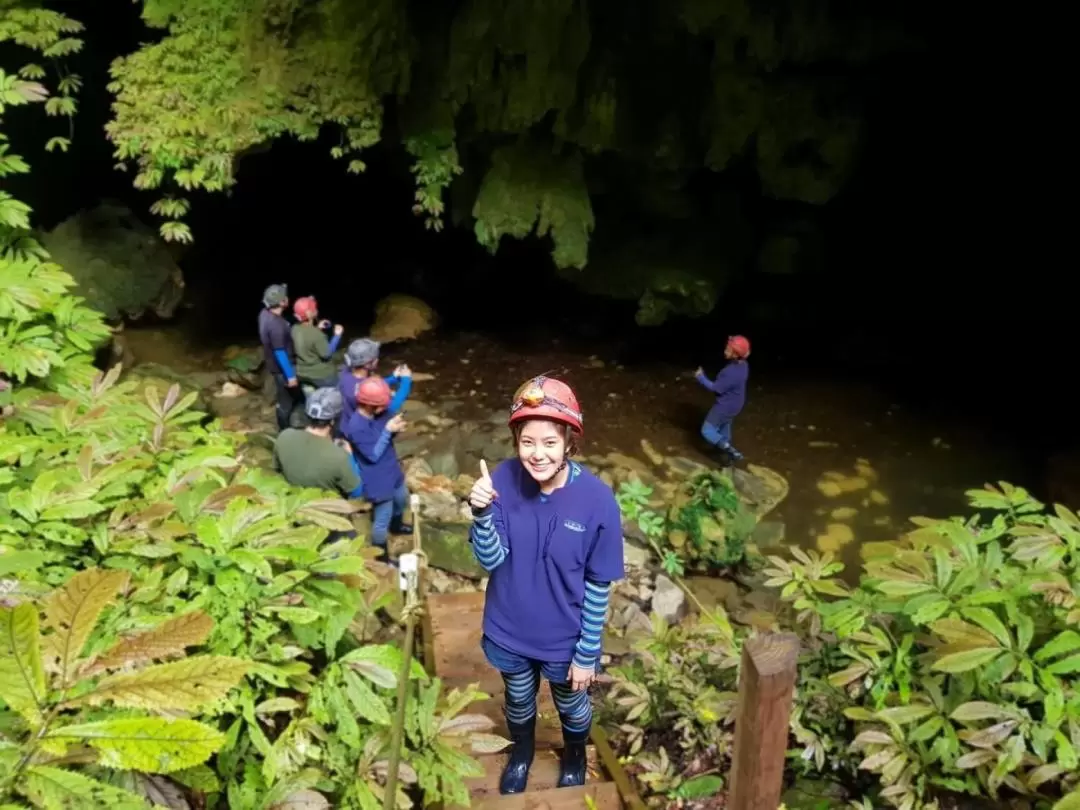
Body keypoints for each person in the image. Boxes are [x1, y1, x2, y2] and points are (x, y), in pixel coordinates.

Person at [467, 376, 624, 795]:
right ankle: (522, 754)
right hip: (509, 629)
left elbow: (597, 584)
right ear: (516, 440)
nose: (537, 454)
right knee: (518, 699)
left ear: (570, 443)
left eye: (550, 443)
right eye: (527, 442)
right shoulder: (501, 478)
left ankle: (574, 754)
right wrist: (482, 513)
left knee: (571, 704)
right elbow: (491, 560)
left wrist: (587, 653)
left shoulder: (597, 500)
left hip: (565, 640)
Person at [341, 376, 413, 563]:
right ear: (368, 405)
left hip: (391, 469)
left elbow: (384, 435)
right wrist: (388, 431)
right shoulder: (356, 427)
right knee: (382, 519)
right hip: (377, 478)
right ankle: (382, 557)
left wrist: (395, 429)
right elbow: (373, 455)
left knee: (401, 499)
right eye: (382, 405)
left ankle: (397, 527)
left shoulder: (376, 415)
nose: (385, 409)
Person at [273, 387, 364, 501]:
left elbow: (277, 470)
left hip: (291, 503)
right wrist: (350, 456)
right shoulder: (340, 457)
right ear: (333, 421)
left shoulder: (284, 436)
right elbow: (357, 491)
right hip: (323, 511)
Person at [694, 334, 751, 464]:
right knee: (724, 426)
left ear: (736, 355)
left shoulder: (731, 372)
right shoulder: (744, 365)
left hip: (724, 406)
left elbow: (716, 388)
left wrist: (700, 377)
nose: (725, 350)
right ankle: (727, 459)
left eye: (729, 349)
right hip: (736, 404)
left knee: (707, 430)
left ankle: (730, 450)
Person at [338, 338, 412, 427]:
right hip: (363, 428)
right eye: (376, 358)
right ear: (367, 364)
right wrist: (406, 381)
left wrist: (393, 378)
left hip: (345, 420)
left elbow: (369, 386)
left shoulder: (345, 373)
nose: (378, 359)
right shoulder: (359, 390)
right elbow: (391, 407)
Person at [259, 283, 302, 431]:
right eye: (285, 297)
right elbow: (279, 352)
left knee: (286, 398)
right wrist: (290, 376)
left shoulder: (264, 314)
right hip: (282, 368)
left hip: (272, 365)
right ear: (283, 302)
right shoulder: (276, 325)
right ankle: (285, 430)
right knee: (286, 401)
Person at [291, 296, 344, 389]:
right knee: (338, 386)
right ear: (309, 313)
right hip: (319, 375)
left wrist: (317, 328)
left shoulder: (294, 328)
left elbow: (307, 338)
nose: (316, 309)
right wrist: (337, 336)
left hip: (301, 373)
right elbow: (326, 354)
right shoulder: (317, 335)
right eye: (313, 308)